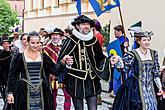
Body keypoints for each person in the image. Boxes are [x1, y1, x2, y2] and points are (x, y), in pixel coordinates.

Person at [57, 15, 121, 110]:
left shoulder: (94, 40)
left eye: (88, 24)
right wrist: (64, 61)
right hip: (76, 81)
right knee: (79, 108)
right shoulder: (70, 40)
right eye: (83, 24)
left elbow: (100, 58)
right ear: (77, 26)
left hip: (91, 81)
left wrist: (109, 61)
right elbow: (60, 60)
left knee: (93, 108)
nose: (86, 26)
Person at [6, 31, 73, 110]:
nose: (35, 45)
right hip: (24, 91)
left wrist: (63, 62)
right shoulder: (19, 57)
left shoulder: (43, 56)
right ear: (28, 42)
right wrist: (10, 93)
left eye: (37, 43)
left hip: (42, 90)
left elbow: (56, 71)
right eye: (33, 43)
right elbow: (12, 76)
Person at [112, 31, 163, 110]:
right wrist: (118, 60)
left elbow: (155, 72)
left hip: (150, 87)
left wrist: (159, 87)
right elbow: (124, 67)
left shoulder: (153, 53)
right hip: (136, 87)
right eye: (144, 40)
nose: (147, 42)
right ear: (139, 41)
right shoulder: (132, 54)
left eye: (148, 40)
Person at [44, 28, 71, 110]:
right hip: (52, 74)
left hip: (64, 73)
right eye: (53, 35)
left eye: (57, 35)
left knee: (68, 95)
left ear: (60, 36)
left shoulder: (66, 46)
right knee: (53, 96)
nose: (55, 37)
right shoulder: (46, 48)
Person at [108, 25, 129, 95]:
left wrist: (126, 47)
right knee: (115, 84)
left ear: (120, 31)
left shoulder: (125, 40)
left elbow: (125, 53)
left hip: (122, 66)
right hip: (116, 65)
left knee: (120, 85)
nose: (114, 33)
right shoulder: (116, 42)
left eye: (116, 32)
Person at [0, 37, 13, 102]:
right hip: (5, 75)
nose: (6, 45)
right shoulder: (1, 55)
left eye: (7, 43)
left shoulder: (13, 53)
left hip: (13, 75)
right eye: (4, 44)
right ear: (2, 45)